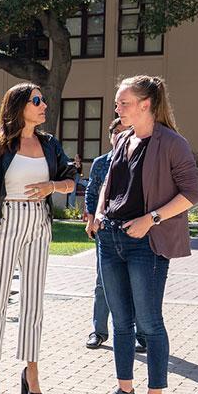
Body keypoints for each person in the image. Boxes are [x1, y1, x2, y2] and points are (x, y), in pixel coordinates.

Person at [89, 75, 198, 394]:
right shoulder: (123, 139)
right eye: (117, 102)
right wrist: (97, 216)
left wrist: (151, 218)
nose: (117, 108)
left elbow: (191, 194)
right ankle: (125, 390)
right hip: (110, 238)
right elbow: (109, 183)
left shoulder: (172, 142)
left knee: (149, 323)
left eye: (123, 102)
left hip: (146, 243)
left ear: (145, 104)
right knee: (121, 322)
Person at [0, 84, 77, 394]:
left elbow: (70, 181)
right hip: (5, 222)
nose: (43, 105)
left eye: (43, 100)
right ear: (19, 106)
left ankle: (31, 370)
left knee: (34, 301)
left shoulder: (50, 144)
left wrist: (52, 186)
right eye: (37, 100)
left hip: (39, 223)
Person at [85, 118, 146, 353]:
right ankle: (98, 331)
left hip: (133, 231)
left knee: (136, 285)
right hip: (106, 231)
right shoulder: (101, 163)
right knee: (102, 284)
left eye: (126, 132)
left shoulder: (139, 158)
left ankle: (142, 336)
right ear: (111, 136)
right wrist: (92, 219)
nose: (121, 136)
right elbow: (92, 191)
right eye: (117, 132)